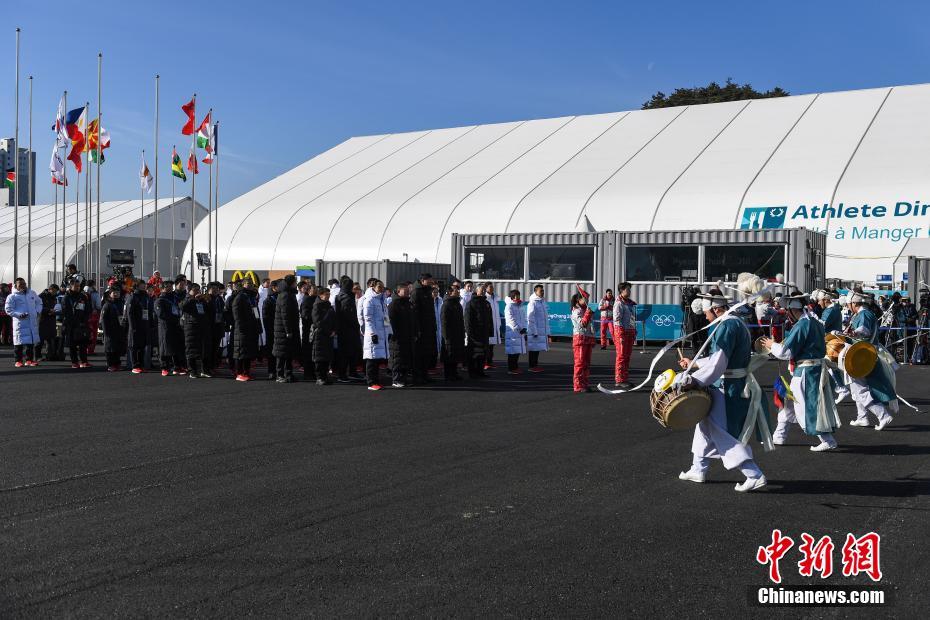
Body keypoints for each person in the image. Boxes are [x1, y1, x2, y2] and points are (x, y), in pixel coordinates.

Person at [676, 291, 769, 493]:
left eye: (707, 312)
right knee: (705, 426)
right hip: (731, 382)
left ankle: (754, 474)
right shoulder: (736, 323)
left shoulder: (726, 326)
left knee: (721, 432)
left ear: (717, 309)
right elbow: (720, 359)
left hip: (727, 386)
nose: (705, 316)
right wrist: (693, 364)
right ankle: (698, 469)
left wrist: (694, 380)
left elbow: (719, 362)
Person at [763, 293, 841, 451]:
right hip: (810, 369)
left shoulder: (802, 325)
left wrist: (772, 345)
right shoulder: (815, 322)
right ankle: (779, 436)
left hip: (806, 372)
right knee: (789, 404)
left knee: (808, 407)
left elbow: (785, 352)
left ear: (792, 310)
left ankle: (827, 440)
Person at [846, 291, 897, 430]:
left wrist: (852, 333)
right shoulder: (863, 314)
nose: (848, 306)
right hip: (864, 353)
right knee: (857, 387)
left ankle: (883, 415)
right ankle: (862, 417)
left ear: (854, 303)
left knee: (859, 388)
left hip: (863, 354)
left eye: (849, 304)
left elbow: (864, 331)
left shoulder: (864, 314)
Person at [5, 278, 42, 367]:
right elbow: (8, 309)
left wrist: (37, 311)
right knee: (19, 342)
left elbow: (39, 302)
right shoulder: (12, 296)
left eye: (24, 284)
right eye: (20, 284)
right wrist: (19, 315)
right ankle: (18, 360)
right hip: (20, 322)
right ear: (15, 286)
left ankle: (29, 360)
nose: (22, 286)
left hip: (31, 322)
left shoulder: (32, 293)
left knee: (30, 342)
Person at [334, 275, 364, 383]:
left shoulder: (342, 296)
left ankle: (351, 372)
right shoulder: (346, 298)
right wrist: (356, 325)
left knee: (350, 352)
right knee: (347, 353)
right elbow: (349, 315)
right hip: (348, 329)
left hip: (345, 329)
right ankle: (343, 374)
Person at [362, 279, 390, 390]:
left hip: (382, 332)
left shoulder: (381, 301)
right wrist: (372, 333)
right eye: (379, 287)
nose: (381, 289)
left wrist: (389, 331)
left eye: (382, 287)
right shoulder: (369, 300)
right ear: (373, 287)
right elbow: (367, 318)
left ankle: (376, 381)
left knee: (377, 358)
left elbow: (386, 317)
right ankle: (371, 382)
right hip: (374, 333)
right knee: (371, 358)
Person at [273, 274, 301, 383]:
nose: (296, 284)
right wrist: (288, 330)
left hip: (288, 328)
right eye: (295, 282)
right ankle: (279, 374)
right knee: (281, 353)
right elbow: (285, 315)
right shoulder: (285, 295)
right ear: (291, 283)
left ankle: (289, 373)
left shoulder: (289, 293)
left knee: (289, 352)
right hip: (283, 329)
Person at [232, 279, 261, 381]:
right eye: (248, 284)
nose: (250, 285)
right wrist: (240, 326)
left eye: (251, 284)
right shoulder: (240, 296)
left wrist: (258, 325)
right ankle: (239, 373)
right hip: (242, 328)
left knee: (248, 351)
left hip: (251, 327)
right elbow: (236, 312)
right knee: (240, 351)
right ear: (243, 285)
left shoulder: (252, 297)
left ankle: (246, 372)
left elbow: (256, 311)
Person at [180, 283, 212, 378]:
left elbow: (210, 311)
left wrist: (207, 301)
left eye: (198, 290)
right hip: (191, 328)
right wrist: (192, 298)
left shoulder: (201, 300)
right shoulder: (187, 299)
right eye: (195, 290)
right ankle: (192, 371)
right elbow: (182, 306)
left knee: (204, 349)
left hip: (203, 327)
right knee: (191, 350)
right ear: (189, 291)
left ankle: (204, 370)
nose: (197, 292)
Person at [411, 273, 438, 384]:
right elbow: (415, 312)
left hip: (429, 328)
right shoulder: (416, 292)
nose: (431, 281)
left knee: (427, 352)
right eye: (429, 280)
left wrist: (433, 326)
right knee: (419, 354)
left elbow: (431, 311)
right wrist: (417, 329)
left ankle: (425, 374)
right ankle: (417, 376)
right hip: (420, 329)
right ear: (423, 280)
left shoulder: (428, 291)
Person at [155, 281, 185, 376]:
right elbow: (161, 314)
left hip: (176, 325)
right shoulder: (160, 300)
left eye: (171, 286)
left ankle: (177, 367)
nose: (170, 288)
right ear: (162, 288)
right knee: (165, 347)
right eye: (167, 286)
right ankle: (164, 367)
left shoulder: (174, 298)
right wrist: (174, 317)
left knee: (176, 346)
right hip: (165, 326)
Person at [388, 282, 416, 387]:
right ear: (398, 291)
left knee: (406, 358)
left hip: (408, 335)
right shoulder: (393, 304)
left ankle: (403, 378)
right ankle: (396, 379)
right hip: (397, 337)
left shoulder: (408, 304)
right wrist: (394, 334)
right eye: (405, 290)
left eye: (408, 289)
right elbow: (391, 321)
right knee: (397, 358)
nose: (408, 291)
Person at [62, 280, 92, 368]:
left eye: (79, 286)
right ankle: (74, 362)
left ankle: (84, 361)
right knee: (72, 345)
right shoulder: (66, 297)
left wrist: (84, 321)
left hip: (82, 324)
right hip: (71, 325)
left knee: (83, 343)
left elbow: (88, 309)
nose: (78, 288)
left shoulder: (83, 296)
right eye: (76, 286)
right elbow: (65, 312)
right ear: (71, 287)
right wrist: (73, 322)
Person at [464, 283, 493, 378]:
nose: (484, 291)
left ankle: (480, 371)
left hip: (484, 334)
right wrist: (470, 333)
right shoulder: (471, 304)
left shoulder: (486, 303)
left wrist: (490, 331)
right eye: (482, 290)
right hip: (474, 335)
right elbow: (467, 321)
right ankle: (472, 373)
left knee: (483, 353)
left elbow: (490, 319)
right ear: (476, 291)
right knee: (474, 354)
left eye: (485, 290)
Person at [570, 289, 596, 392]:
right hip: (580, 339)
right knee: (580, 363)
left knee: (586, 363)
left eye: (588, 299)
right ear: (579, 300)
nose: (587, 301)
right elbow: (582, 323)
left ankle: (584, 384)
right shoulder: (576, 311)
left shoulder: (585, 310)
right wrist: (589, 312)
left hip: (587, 338)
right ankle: (578, 385)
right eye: (585, 299)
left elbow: (591, 326)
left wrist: (592, 338)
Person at [311, 287, 337, 384]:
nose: (328, 296)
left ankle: (325, 376)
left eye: (329, 295)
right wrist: (328, 331)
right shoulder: (317, 306)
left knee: (326, 357)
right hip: (320, 335)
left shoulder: (329, 305)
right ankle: (319, 377)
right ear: (320, 295)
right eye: (326, 294)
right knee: (319, 358)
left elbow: (334, 319)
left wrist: (334, 330)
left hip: (329, 335)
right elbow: (317, 322)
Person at [613, 282, 636, 389]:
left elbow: (632, 319)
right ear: (621, 291)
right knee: (621, 356)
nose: (629, 291)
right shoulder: (619, 303)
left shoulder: (630, 303)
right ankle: (619, 379)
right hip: (621, 333)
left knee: (627, 356)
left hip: (629, 332)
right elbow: (617, 320)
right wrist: (621, 333)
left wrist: (633, 331)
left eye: (629, 289)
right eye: (627, 289)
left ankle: (624, 378)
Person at [124, 280, 150, 374]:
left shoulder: (146, 296)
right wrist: (132, 326)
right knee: (134, 346)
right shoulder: (132, 297)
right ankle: (135, 365)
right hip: (135, 325)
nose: (144, 287)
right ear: (137, 286)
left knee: (142, 346)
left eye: (144, 285)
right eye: (142, 285)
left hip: (144, 324)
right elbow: (129, 313)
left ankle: (141, 365)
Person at [440, 285, 465, 381]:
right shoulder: (446, 305)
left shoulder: (457, 304)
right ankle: (448, 374)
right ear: (450, 292)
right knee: (449, 355)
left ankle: (454, 373)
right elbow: (444, 321)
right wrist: (446, 336)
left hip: (457, 333)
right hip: (450, 335)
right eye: (455, 290)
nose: (458, 291)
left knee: (455, 354)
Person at [100, 288, 127, 371]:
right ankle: (110, 365)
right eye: (114, 293)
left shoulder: (120, 303)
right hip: (110, 330)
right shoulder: (107, 305)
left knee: (117, 347)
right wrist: (105, 332)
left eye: (117, 292)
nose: (116, 294)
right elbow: (103, 319)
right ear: (110, 294)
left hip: (119, 329)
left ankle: (117, 364)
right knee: (110, 348)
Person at [526, 284, 550, 372]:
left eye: (543, 291)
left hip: (540, 330)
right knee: (533, 349)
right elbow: (530, 318)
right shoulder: (532, 303)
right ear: (535, 292)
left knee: (537, 348)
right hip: (534, 330)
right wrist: (534, 331)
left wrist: (546, 330)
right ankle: (532, 366)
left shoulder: (542, 301)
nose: (542, 292)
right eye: (541, 291)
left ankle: (535, 365)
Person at [504, 289, 527, 375]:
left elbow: (524, 318)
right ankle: (511, 368)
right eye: (515, 295)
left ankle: (515, 367)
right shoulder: (509, 306)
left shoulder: (520, 306)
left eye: (518, 295)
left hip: (520, 332)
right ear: (512, 297)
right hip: (513, 332)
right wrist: (519, 328)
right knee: (512, 351)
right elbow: (510, 320)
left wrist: (524, 327)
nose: (517, 297)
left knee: (517, 351)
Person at [299, 284, 319, 381]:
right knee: (308, 351)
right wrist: (314, 319)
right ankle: (308, 373)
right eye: (313, 289)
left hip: (316, 329)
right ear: (308, 291)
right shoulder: (306, 299)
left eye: (316, 289)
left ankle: (315, 372)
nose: (315, 290)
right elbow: (304, 315)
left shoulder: (317, 299)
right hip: (308, 329)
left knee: (315, 351)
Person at [262, 280, 279, 380]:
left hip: (278, 329)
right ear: (273, 288)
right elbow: (265, 317)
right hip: (271, 329)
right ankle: (271, 371)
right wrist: (269, 329)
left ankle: (278, 370)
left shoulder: (279, 298)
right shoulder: (268, 300)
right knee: (271, 351)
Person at [37, 284, 59, 361]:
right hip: (42, 320)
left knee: (51, 339)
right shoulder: (41, 296)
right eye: (55, 291)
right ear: (50, 289)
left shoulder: (54, 297)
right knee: (40, 340)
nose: (55, 293)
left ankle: (49, 356)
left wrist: (55, 312)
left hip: (51, 320)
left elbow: (56, 307)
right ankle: (37, 356)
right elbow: (38, 308)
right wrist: (48, 310)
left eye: (56, 291)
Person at [485, 282, 502, 369]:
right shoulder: (485, 298)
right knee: (486, 345)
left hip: (495, 325)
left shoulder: (495, 298)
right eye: (490, 288)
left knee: (492, 346)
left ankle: (490, 361)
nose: (492, 289)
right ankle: (485, 362)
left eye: (492, 287)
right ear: (486, 288)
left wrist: (498, 324)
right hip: (488, 325)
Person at [85, 280, 101, 355]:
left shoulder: (82, 292)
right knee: (93, 333)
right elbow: (98, 305)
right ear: (93, 285)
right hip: (94, 314)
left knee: (85, 332)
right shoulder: (95, 293)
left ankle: (84, 348)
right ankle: (90, 350)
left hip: (84, 315)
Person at [431, 285, 443, 370]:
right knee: (433, 346)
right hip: (433, 326)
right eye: (434, 292)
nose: (435, 294)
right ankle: (432, 364)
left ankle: (437, 362)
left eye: (436, 292)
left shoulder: (440, 300)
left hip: (440, 326)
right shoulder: (429, 301)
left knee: (439, 345)